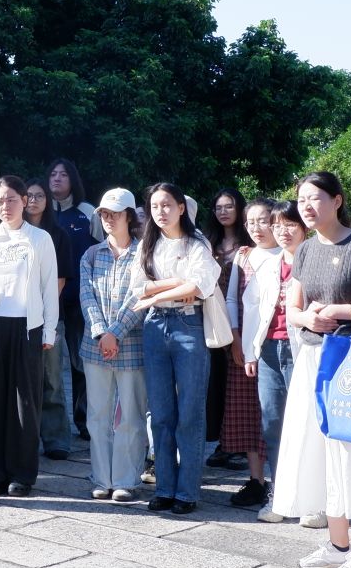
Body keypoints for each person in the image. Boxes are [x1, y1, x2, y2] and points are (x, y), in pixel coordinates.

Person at [275, 172, 351, 568]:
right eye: (302, 200)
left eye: (315, 198)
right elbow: (293, 308)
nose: (307, 207)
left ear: (337, 200)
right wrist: (307, 318)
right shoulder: (306, 249)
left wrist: (338, 312)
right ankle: (338, 543)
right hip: (315, 358)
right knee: (323, 451)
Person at [133, 182, 222, 515]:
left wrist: (155, 293)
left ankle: (187, 492)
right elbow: (137, 287)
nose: (161, 212)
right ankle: (165, 487)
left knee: (190, 413)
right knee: (160, 413)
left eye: (167, 205)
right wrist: (172, 286)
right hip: (155, 326)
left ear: (181, 208)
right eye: (155, 206)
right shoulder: (148, 244)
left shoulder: (197, 243)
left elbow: (199, 285)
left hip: (188, 325)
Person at [0, 175, 59, 497]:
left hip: (27, 327)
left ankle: (22, 473)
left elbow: (49, 286)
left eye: (11, 199)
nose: (5, 206)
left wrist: (49, 329)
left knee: (25, 402)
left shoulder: (39, 239)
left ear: (24, 200)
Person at [79, 187, 147, 502]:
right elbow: (86, 296)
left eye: (115, 213)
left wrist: (115, 333)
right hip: (95, 346)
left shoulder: (144, 253)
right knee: (98, 415)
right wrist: (101, 332)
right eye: (104, 213)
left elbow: (140, 298)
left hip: (132, 344)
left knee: (131, 415)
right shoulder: (91, 254)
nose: (108, 219)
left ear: (129, 216)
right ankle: (101, 478)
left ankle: (126, 479)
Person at [243, 201, 305, 518]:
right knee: (272, 424)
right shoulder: (268, 265)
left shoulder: (314, 260)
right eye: (277, 225)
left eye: (289, 224)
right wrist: (250, 350)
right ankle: (280, 496)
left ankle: (311, 499)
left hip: (304, 349)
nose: (282, 231)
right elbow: (252, 308)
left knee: (305, 425)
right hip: (268, 349)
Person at [224, 198, 283, 509]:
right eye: (250, 222)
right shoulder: (244, 256)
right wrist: (235, 339)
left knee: (277, 414)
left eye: (263, 221)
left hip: (277, 344)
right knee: (248, 413)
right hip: (245, 346)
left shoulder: (288, 253)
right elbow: (231, 300)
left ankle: (283, 481)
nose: (256, 228)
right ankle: (257, 480)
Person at [24, 178, 78, 460]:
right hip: (16, 317)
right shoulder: (14, 233)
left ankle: (56, 439)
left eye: (39, 196)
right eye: (29, 195)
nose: (33, 200)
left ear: (48, 201)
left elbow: (60, 279)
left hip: (49, 316)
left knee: (52, 379)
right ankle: (24, 438)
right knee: (23, 380)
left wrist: (44, 312)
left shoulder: (58, 235)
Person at [47, 157, 100, 436]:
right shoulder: (41, 212)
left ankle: (85, 421)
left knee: (82, 363)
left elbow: (102, 250)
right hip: (49, 302)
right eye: (53, 174)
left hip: (81, 300)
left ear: (73, 180)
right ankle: (53, 428)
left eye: (63, 174)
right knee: (50, 367)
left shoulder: (87, 212)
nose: (56, 179)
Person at [204, 188, 248, 473]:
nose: (223, 212)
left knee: (239, 382)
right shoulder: (208, 242)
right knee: (216, 382)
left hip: (242, 316)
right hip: (212, 317)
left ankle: (240, 445)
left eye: (229, 206)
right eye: (219, 207)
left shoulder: (249, 243)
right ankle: (223, 442)